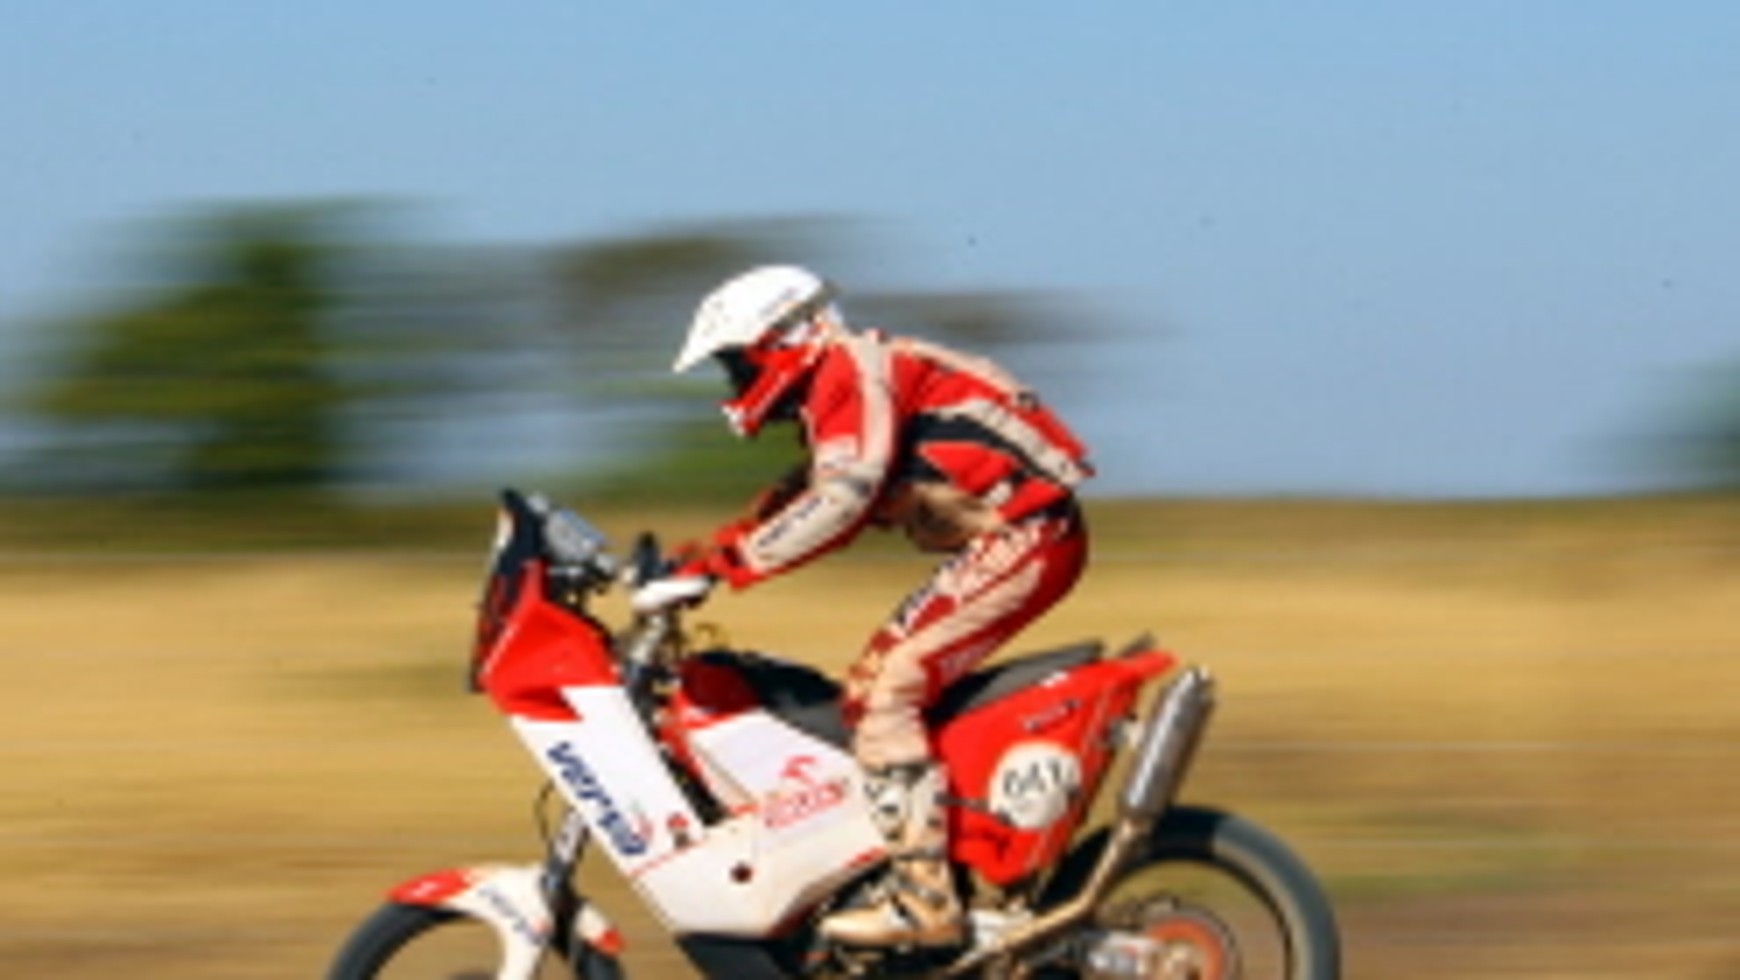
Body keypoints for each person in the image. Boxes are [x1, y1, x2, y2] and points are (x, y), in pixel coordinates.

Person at [632, 265, 1093, 948]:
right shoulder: (843, 382)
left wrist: (728, 564)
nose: (734, 383)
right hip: (1017, 535)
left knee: (887, 692)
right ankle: (921, 855)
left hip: (1028, 534)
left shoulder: (848, 372)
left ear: (781, 339)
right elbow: (808, 488)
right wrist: (710, 551)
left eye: (736, 363)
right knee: (871, 691)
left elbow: (843, 496)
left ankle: (926, 902)